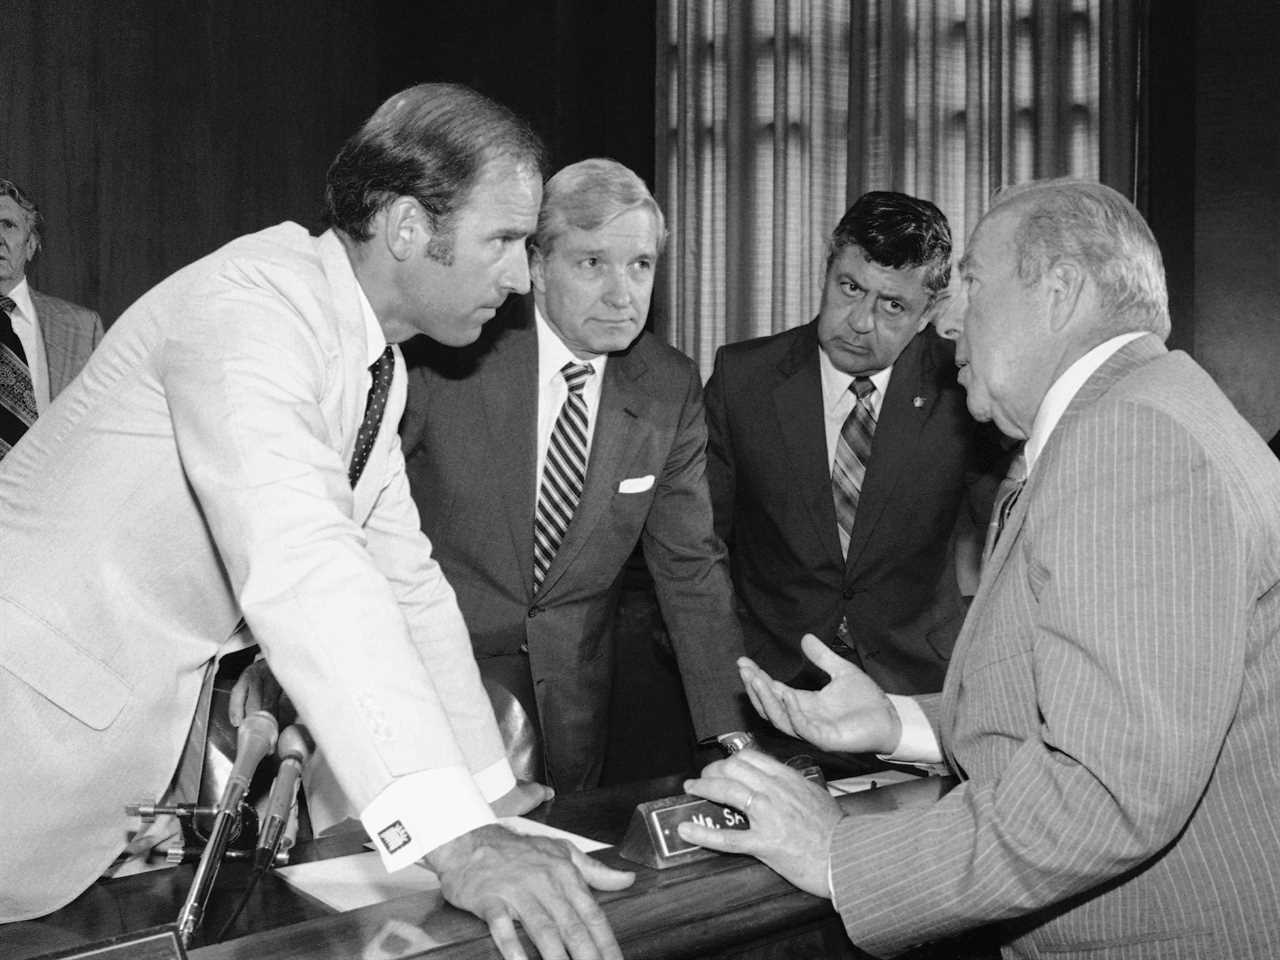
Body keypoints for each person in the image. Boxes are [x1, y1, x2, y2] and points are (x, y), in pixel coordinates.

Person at [0, 83, 635, 960]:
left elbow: (405, 583)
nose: (523, 277)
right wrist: (455, 841)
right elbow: (304, 566)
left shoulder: (376, 364)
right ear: (409, 226)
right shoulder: (252, 308)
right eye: (506, 240)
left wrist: (488, 796)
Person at [680, 179, 1280, 958]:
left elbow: (1103, 789)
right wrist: (897, 721)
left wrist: (837, 854)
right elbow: (1084, 706)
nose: (952, 321)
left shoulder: (1134, 444)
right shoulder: (1155, 409)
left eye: (972, 282)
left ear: (1059, 292)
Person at [398, 158, 749, 791]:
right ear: (536, 266)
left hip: (570, 711)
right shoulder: (447, 356)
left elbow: (690, 569)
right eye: (593, 263)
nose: (623, 293)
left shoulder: (668, 386)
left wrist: (731, 738)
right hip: (428, 695)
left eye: (640, 265)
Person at [704, 191, 998, 695]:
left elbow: (1007, 539)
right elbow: (698, 551)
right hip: (770, 681)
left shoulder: (963, 385)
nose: (861, 322)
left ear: (929, 312)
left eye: (893, 305)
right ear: (827, 271)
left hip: (914, 684)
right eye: (849, 287)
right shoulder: (743, 379)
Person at [0, 178, 103, 460]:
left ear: (31, 245)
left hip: (49, 495)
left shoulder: (83, 328)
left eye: (8, 225)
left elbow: (100, 426)